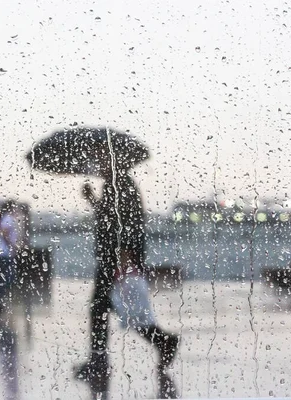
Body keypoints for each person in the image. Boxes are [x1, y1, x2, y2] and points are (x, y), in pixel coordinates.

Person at [74, 162, 180, 399]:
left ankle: (103, 360)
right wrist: (92, 199)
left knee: (114, 311)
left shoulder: (121, 184)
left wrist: (126, 257)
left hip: (116, 261)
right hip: (113, 259)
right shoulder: (115, 184)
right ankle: (101, 359)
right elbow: (110, 218)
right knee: (107, 310)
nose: (97, 163)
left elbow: (127, 224)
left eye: (102, 158)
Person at [0, 202, 20, 400]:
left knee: (5, 281)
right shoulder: (8, 218)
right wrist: (14, 247)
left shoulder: (6, 218)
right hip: (4, 254)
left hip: (2, 253)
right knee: (5, 280)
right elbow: (6, 233)